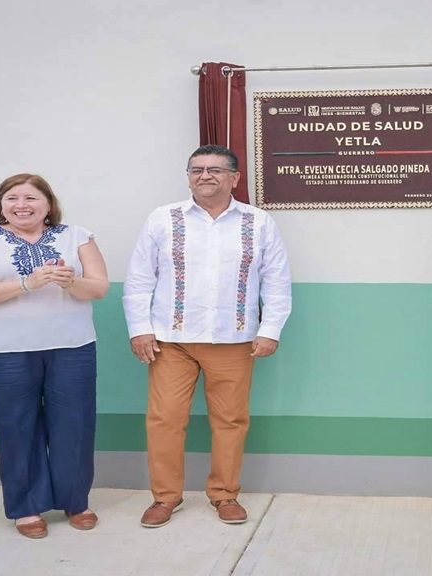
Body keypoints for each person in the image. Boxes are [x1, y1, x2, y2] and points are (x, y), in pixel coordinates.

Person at [124, 144, 292, 527]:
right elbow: (138, 279)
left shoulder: (258, 222)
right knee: (164, 419)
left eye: (215, 170)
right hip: (170, 340)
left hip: (235, 341)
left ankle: (224, 494)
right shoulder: (162, 219)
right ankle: (165, 498)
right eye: (197, 169)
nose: (205, 176)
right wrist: (140, 329)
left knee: (230, 420)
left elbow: (277, 282)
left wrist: (270, 330)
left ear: (234, 178)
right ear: (188, 177)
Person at [0, 174, 109, 539]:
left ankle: (75, 500)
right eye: (12, 198)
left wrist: (71, 282)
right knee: (16, 427)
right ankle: (26, 507)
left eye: (31, 198)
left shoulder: (77, 236)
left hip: (72, 346)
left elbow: (99, 287)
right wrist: (26, 284)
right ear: (0, 204)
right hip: (5, 350)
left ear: (48, 204)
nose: (21, 205)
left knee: (75, 424)